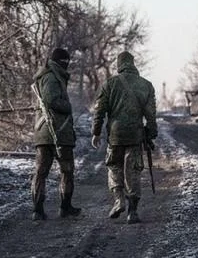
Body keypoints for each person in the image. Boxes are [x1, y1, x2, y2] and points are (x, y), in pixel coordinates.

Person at [91, 51, 157, 224]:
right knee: (133, 171)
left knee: (114, 166)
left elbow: (99, 111)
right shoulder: (146, 85)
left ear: (119, 65)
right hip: (135, 135)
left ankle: (118, 199)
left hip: (115, 135)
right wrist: (151, 134)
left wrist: (96, 132)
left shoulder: (109, 84)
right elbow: (151, 114)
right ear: (133, 64)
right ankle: (132, 212)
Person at [31, 47, 81, 220]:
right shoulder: (52, 77)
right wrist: (68, 107)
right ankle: (59, 208)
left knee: (42, 172)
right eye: (66, 62)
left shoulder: (49, 75)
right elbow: (51, 100)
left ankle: (41, 209)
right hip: (55, 132)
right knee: (65, 170)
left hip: (46, 133)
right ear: (62, 62)